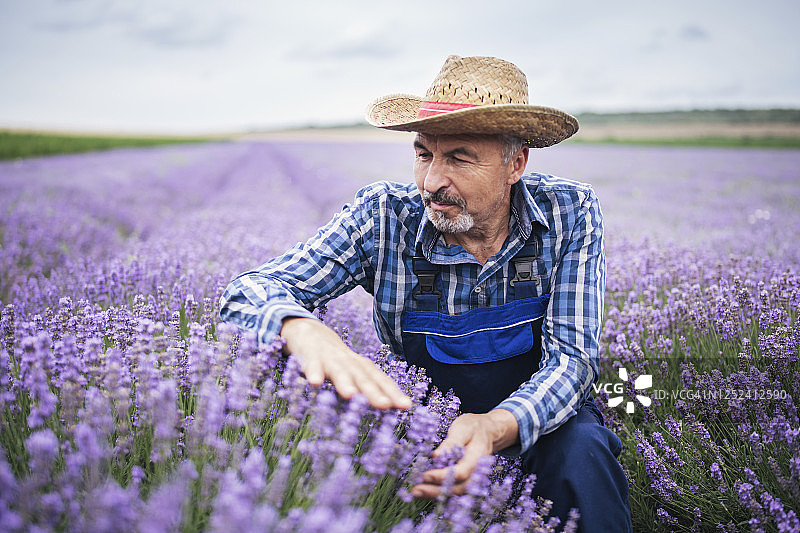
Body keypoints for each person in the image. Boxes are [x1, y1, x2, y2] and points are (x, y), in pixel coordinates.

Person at [220, 55, 632, 532]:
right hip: (426, 420)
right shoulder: (384, 216)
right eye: (423, 154)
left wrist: (495, 425)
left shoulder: (567, 211)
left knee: (583, 453)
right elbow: (248, 292)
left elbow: (573, 360)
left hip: (543, 420)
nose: (432, 181)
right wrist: (303, 329)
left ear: (515, 162)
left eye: (458, 157)